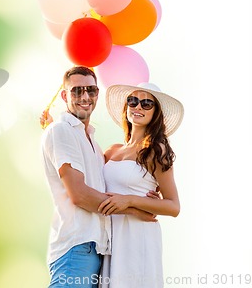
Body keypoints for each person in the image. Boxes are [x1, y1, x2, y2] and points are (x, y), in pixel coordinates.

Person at [41, 67, 157, 288]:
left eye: (91, 90)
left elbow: (115, 179)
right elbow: (80, 195)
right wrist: (134, 209)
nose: (85, 97)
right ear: (65, 96)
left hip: (97, 248)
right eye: (76, 91)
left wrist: (143, 192)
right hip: (76, 247)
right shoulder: (61, 131)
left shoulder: (92, 143)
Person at [97, 83, 184, 288]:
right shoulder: (112, 151)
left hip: (138, 237)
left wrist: (129, 201)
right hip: (111, 236)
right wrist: (57, 128)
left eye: (146, 103)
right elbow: (83, 165)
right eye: (133, 101)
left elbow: (173, 206)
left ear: (155, 113)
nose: (138, 107)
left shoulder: (156, 151)